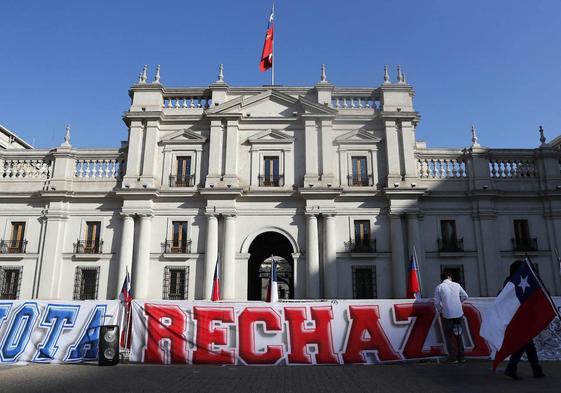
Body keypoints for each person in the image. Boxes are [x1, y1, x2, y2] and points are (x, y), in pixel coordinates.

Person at [502, 260, 545, 380]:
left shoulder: (512, 280)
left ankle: (535, 369)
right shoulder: (512, 282)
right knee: (524, 344)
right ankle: (513, 368)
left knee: (527, 344)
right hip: (518, 317)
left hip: (523, 317)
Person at [434, 272, 469, 363]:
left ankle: (452, 357)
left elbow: (437, 303)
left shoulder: (439, 287)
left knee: (448, 336)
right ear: (449, 277)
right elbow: (465, 296)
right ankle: (462, 356)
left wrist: (442, 310)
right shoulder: (457, 285)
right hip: (458, 314)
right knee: (458, 335)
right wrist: (458, 303)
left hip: (447, 315)